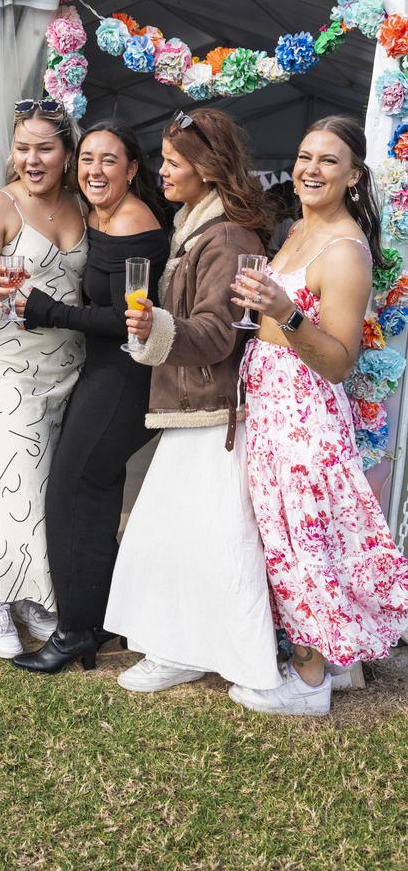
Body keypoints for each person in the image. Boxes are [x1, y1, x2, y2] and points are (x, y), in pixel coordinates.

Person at [229, 115, 408, 716]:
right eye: (305, 156)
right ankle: (311, 662)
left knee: (302, 541)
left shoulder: (345, 251)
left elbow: (338, 360)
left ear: (354, 175)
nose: (311, 169)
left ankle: (310, 684)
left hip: (306, 412)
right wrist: (262, 313)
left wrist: (286, 311)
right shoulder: (296, 231)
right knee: (279, 536)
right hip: (271, 403)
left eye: (328, 160)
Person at [104, 107, 283, 695]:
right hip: (194, 406)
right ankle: (180, 646)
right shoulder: (196, 227)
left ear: (207, 169)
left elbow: (218, 332)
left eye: (173, 162)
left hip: (215, 412)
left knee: (205, 541)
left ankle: (204, 652)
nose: (161, 171)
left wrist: (154, 324)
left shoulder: (227, 235)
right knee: (179, 537)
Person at [9, 121, 170, 674]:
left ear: (132, 171)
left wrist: (49, 312)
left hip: (125, 377)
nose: (95, 170)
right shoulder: (98, 216)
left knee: (70, 494)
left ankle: (75, 631)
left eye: (110, 161)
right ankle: (98, 621)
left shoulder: (135, 224)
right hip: (100, 372)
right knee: (94, 496)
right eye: (88, 159)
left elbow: (132, 322)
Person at [0, 99, 87, 658]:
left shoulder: (84, 206)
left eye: (45, 148)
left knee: (53, 486)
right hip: (11, 367)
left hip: (72, 367)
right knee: (21, 484)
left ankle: (30, 596)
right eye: (23, 147)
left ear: (67, 152)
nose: (31, 159)